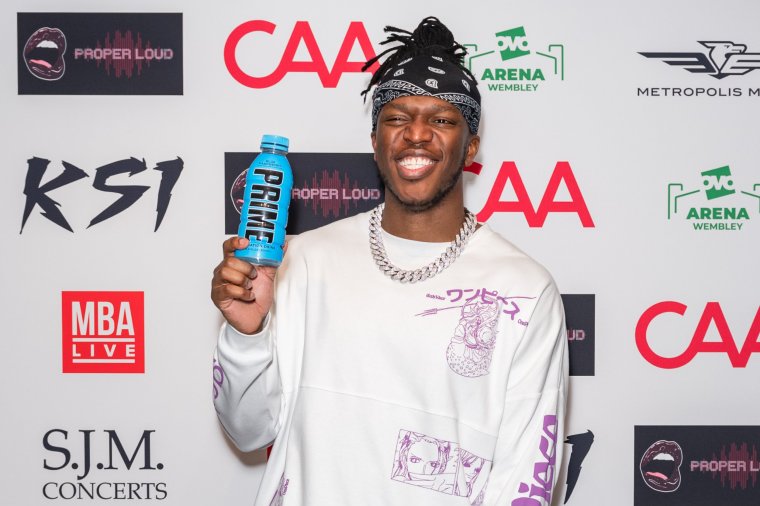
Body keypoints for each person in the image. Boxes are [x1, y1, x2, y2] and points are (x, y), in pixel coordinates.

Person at [211, 16, 568, 506]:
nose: (415, 135)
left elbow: (526, 474)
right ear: (376, 140)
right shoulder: (305, 261)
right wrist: (245, 336)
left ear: (472, 148)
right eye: (397, 118)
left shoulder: (524, 289)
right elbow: (249, 431)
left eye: (441, 120)